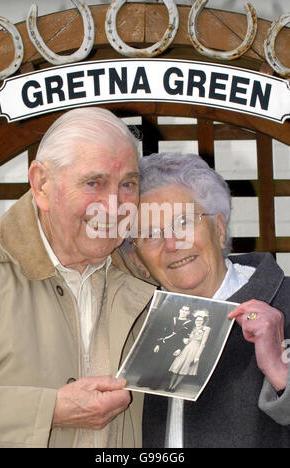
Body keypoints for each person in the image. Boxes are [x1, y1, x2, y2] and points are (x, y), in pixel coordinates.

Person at [0, 107, 156, 448]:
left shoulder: (146, 271)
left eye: (127, 184)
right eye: (93, 183)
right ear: (42, 184)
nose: (113, 206)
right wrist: (47, 410)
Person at [117, 152, 290, 448]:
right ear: (140, 260)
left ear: (219, 229)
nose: (172, 244)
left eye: (183, 222)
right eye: (150, 234)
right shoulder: (131, 325)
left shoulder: (283, 301)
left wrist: (282, 375)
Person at [136, 305, 193, 390]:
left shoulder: (189, 323)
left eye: (186, 310)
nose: (184, 311)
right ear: (179, 310)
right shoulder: (172, 319)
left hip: (174, 347)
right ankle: (143, 382)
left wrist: (180, 349)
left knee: (163, 366)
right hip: (163, 344)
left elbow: (187, 338)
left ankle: (154, 385)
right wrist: (158, 344)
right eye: (182, 309)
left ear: (188, 313)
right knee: (153, 363)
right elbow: (164, 332)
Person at [167, 310, 211, 392]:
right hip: (185, 348)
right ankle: (170, 386)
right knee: (177, 366)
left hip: (195, 349)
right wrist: (184, 339)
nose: (198, 322)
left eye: (200, 320)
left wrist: (197, 356)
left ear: (204, 321)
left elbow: (203, 343)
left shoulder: (206, 329)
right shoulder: (192, 327)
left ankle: (174, 387)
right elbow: (184, 336)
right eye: (197, 320)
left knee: (185, 368)